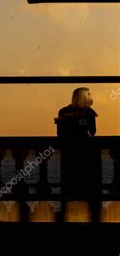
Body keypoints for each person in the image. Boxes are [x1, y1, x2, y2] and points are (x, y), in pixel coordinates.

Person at [55, 87, 101, 222]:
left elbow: (60, 134)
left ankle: (66, 214)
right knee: (87, 186)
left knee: (68, 185)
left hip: (70, 153)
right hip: (86, 154)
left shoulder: (63, 112)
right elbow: (93, 132)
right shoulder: (90, 112)